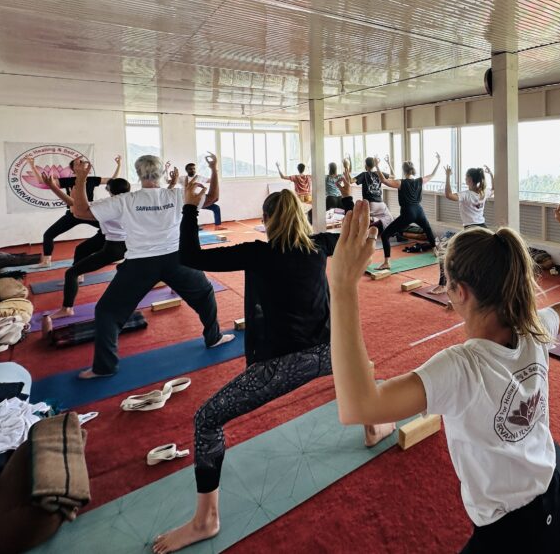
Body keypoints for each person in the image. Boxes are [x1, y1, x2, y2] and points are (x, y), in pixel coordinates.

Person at [327, 195, 560, 553]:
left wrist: (342, 286)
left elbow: (358, 407)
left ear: (459, 291)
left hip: (516, 529)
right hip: (556, 478)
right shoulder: (534, 328)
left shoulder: (462, 367)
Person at [151, 187, 395, 554]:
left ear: (266, 221)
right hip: (334, 354)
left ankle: (206, 520)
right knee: (359, 363)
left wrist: (189, 207)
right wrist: (355, 212)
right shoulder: (321, 245)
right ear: (300, 215)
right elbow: (364, 237)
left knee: (206, 420)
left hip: (283, 366)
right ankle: (374, 425)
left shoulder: (258, 252)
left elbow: (189, 255)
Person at [67, 154, 234, 379]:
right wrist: (214, 169)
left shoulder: (126, 199)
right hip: (178, 260)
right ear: (162, 174)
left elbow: (80, 212)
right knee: (205, 293)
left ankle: (104, 367)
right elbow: (212, 198)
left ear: (138, 174)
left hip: (140, 264)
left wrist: (80, 179)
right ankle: (213, 338)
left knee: (107, 312)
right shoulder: (177, 193)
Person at [42, 174, 131, 319]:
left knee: (70, 273)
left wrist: (52, 186)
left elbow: (75, 207)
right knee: (81, 249)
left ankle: (67, 309)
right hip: (125, 242)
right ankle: (80, 277)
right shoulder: (134, 200)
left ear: (109, 189)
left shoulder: (107, 204)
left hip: (114, 247)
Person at [26, 155, 121, 267]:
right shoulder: (68, 181)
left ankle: (113, 255)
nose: (82, 166)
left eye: (83, 164)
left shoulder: (92, 179)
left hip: (89, 213)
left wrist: (119, 165)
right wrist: (32, 166)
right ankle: (46, 261)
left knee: (109, 230)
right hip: (73, 214)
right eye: (78, 164)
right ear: (73, 169)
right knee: (48, 235)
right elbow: (41, 181)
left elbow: (112, 181)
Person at [431, 164, 494, 293]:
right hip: (483, 229)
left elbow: (448, 194)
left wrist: (448, 176)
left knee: (443, 252)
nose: (465, 180)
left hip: (470, 231)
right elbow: (494, 188)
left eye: (466, 178)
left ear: (470, 180)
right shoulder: (483, 192)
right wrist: (491, 174)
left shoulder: (466, 195)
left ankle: (443, 285)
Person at [374, 154, 440, 270]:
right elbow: (432, 175)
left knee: (385, 235)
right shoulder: (419, 181)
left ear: (403, 171)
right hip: (419, 211)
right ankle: (435, 251)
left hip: (408, 212)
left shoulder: (401, 183)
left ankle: (387, 262)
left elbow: (383, 180)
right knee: (427, 228)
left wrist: (377, 166)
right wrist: (438, 162)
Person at [353, 156, 395, 231]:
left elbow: (350, 181)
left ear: (366, 165)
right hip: (381, 204)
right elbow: (393, 176)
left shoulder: (364, 174)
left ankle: (363, 232)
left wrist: (346, 168)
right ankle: (394, 232)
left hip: (370, 204)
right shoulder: (379, 173)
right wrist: (389, 163)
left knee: (363, 220)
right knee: (389, 219)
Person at [182, 162, 221, 229]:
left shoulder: (199, 177)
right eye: (190, 169)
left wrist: (215, 173)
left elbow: (211, 180)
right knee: (193, 211)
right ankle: (193, 226)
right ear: (187, 170)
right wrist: (166, 169)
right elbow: (169, 181)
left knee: (216, 208)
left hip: (201, 199)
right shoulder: (182, 178)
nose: (193, 170)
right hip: (189, 201)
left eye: (194, 169)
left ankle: (217, 226)